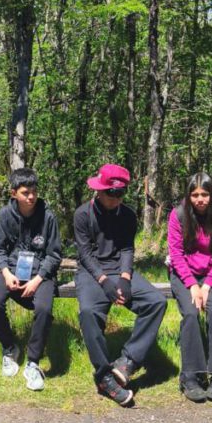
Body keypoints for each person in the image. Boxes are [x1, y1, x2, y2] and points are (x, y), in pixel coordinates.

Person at [74, 163, 167, 406]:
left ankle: (128, 361)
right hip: (91, 272)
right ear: (99, 190)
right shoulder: (82, 214)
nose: (115, 199)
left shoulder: (127, 215)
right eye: (110, 194)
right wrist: (103, 281)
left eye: (119, 194)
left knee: (156, 302)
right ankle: (104, 376)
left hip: (119, 270)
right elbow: (84, 254)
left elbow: (127, 248)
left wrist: (125, 278)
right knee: (88, 312)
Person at [0, 168, 62, 391]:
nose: (31, 197)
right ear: (14, 193)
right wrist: (6, 273)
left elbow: (54, 254)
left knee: (44, 309)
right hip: (11, 269)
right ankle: (10, 347)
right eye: (25, 193)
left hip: (41, 273)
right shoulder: (4, 215)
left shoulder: (48, 217)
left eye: (34, 192)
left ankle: (33, 362)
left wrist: (37, 280)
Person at [167, 174, 212, 403]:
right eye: (195, 195)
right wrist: (192, 284)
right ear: (189, 196)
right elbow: (175, 254)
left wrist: (208, 283)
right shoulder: (178, 215)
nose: (200, 199)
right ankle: (190, 376)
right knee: (191, 313)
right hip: (183, 273)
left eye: (205, 194)